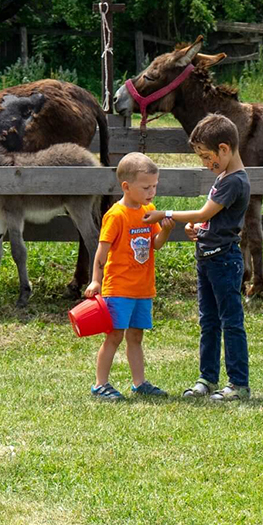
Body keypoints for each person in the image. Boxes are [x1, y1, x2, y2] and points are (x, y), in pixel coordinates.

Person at [143, 114, 252, 401]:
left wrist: (166, 213)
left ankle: (238, 384)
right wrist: (198, 227)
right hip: (207, 258)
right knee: (209, 322)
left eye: (207, 157)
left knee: (230, 322)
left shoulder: (234, 181)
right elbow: (211, 216)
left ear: (224, 149)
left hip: (224, 261)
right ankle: (208, 378)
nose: (205, 163)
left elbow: (205, 211)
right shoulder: (223, 176)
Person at [85, 152, 176, 400]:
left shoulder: (149, 211)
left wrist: (166, 231)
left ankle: (139, 383)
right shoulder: (116, 215)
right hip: (119, 289)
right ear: (126, 186)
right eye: (146, 187)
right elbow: (102, 251)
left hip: (142, 289)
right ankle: (100, 384)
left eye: (155, 186)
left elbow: (155, 244)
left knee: (136, 336)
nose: (152, 192)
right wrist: (96, 280)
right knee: (114, 335)